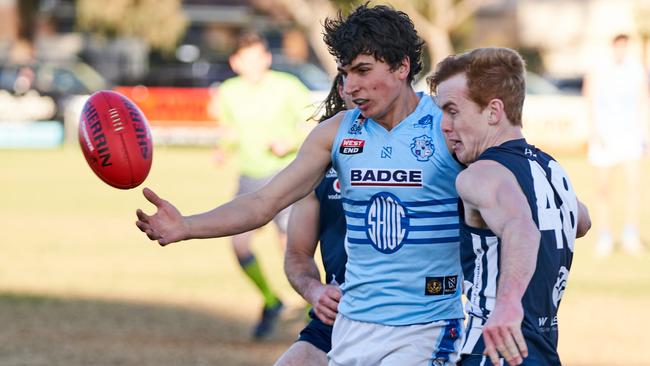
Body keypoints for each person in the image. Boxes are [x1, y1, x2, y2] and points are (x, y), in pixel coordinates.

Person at [136, 4, 465, 365]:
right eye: (345, 73)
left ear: (402, 66)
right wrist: (186, 226)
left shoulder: (448, 126)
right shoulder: (336, 133)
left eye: (363, 71)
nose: (350, 87)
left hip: (425, 327)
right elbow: (264, 201)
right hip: (351, 326)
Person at [429, 47, 591, 366]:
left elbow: (521, 227)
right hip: (541, 347)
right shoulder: (551, 169)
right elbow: (582, 221)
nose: (444, 125)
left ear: (493, 111)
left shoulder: (479, 175)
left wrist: (507, 303)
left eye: (453, 111)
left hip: (492, 346)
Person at [211, 31, 313, 339]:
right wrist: (223, 149)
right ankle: (271, 301)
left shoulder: (287, 87)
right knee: (239, 244)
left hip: (284, 176)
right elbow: (231, 130)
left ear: (266, 58)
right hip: (249, 179)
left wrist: (290, 142)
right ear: (235, 62)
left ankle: (315, 309)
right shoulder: (228, 92)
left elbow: (312, 123)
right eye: (246, 59)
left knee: (290, 249)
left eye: (258, 58)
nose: (254, 65)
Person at [274, 74, 351, 366]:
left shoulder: (423, 149)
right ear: (340, 89)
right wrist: (314, 291)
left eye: (365, 72)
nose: (356, 87)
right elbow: (297, 254)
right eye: (348, 77)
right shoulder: (321, 163)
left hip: (409, 323)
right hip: (337, 315)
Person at [582, 33, 648, 257]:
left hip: (629, 137)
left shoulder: (636, 70)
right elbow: (589, 98)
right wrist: (593, 130)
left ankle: (630, 234)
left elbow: (642, 100)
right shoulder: (599, 69)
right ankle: (604, 236)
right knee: (603, 189)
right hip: (604, 138)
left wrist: (643, 133)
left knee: (633, 186)